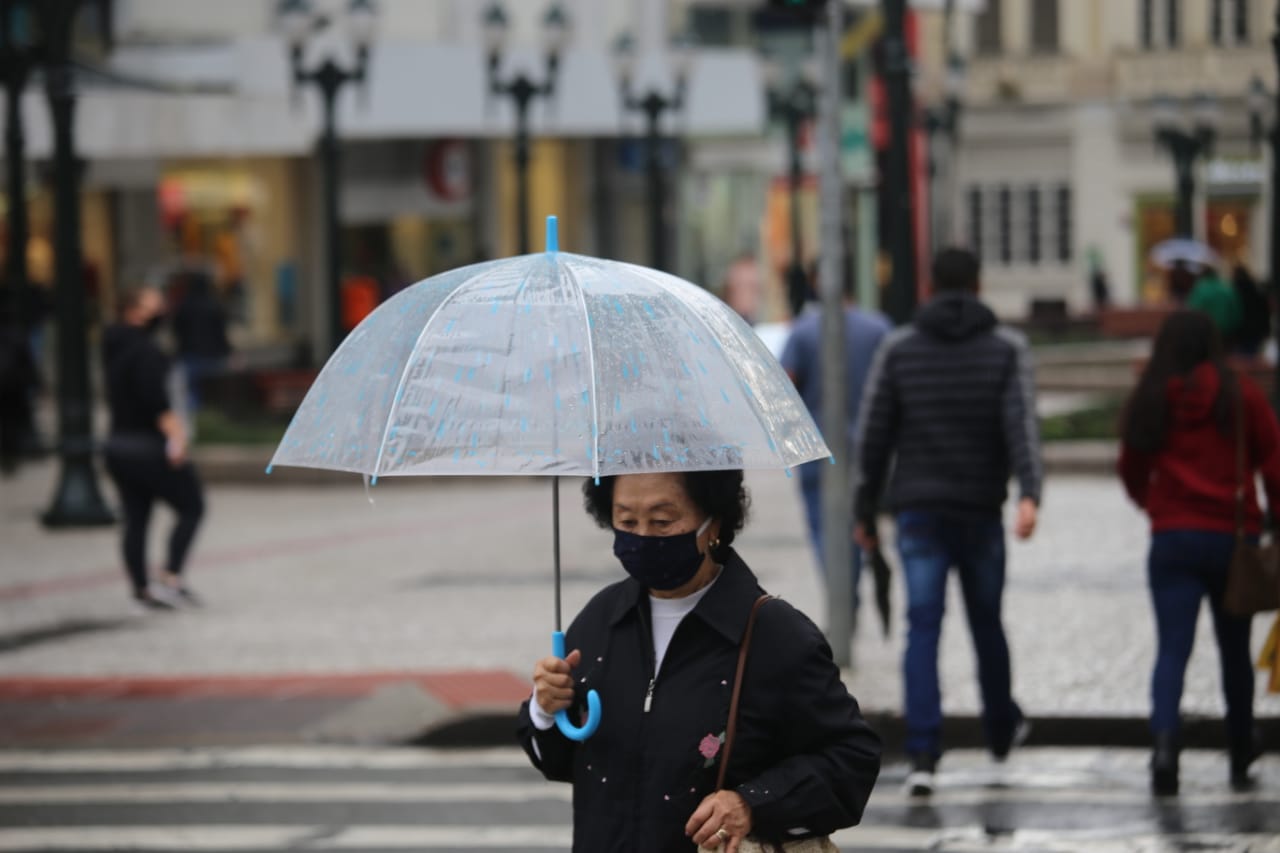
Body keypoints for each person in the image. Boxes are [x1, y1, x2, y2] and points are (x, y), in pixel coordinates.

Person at [518, 471, 882, 851]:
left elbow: (852, 759)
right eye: (626, 521)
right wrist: (545, 710)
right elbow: (559, 762)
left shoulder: (774, 634)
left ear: (714, 523)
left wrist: (752, 804)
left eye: (662, 521)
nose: (642, 536)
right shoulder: (603, 619)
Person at [853, 247, 1042, 797]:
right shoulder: (1006, 349)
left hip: (919, 512)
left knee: (922, 628)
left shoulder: (899, 349)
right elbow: (1021, 425)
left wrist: (864, 509)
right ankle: (1000, 729)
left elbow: (873, 436)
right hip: (980, 509)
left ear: (930, 286)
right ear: (978, 285)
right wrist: (1029, 493)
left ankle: (923, 754)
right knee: (987, 622)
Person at [1117, 310, 1276, 795]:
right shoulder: (1239, 391)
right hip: (1233, 539)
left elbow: (1130, 465)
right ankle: (1240, 747)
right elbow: (1273, 457)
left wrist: (1154, 506)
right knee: (1234, 649)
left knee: (1172, 649)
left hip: (1173, 539)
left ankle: (1165, 750)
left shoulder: (1152, 395)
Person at [780, 260, 890, 621]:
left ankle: (843, 602)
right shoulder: (877, 329)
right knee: (858, 523)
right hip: (868, 449)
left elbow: (783, 388)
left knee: (823, 530)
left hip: (815, 448)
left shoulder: (802, 332)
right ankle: (848, 597)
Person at [102, 286, 206, 611]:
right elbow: (156, 402)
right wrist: (177, 438)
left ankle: (141, 588)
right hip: (147, 447)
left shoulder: (113, 345)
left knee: (136, 518)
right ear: (133, 310)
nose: (161, 311)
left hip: (118, 445)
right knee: (192, 506)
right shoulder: (145, 351)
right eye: (154, 305)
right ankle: (170, 577)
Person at [171, 269, 231, 413]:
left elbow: (177, 329)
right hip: (213, 354)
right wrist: (227, 351)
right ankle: (213, 416)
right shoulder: (214, 305)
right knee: (213, 391)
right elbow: (221, 331)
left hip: (190, 353)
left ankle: (196, 416)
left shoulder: (184, 306)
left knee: (192, 390)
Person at [1185, 267, 1242, 348]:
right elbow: (1236, 312)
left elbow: (1192, 310)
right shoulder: (1227, 289)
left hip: (1204, 332)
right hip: (1225, 331)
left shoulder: (1200, 289)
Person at [1230, 265, 1270, 357]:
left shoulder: (1234, 290)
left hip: (1240, 329)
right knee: (1252, 356)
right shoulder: (1257, 288)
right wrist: (1266, 329)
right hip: (1256, 329)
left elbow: (1233, 312)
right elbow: (1265, 311)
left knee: (1239, 358)